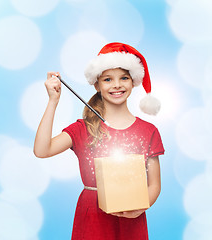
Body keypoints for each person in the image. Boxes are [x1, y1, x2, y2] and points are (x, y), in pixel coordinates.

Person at [34, 42, 165, 240]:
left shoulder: (149, 131)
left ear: (133, 82)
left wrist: (140, 207)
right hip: (92, 219)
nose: (117, 85)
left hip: (132, 219)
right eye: (107, 79)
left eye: (124, 78)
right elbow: (42, 150)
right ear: (97, 84)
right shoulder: (83, 128)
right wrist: (53, 101)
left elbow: (154, 184)